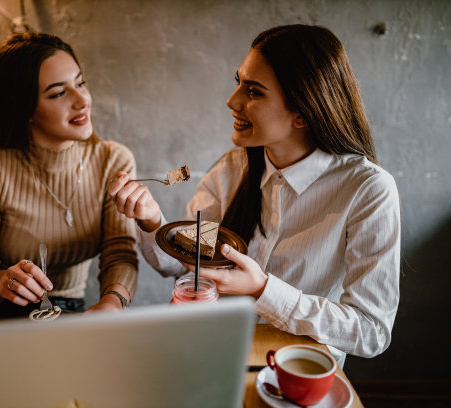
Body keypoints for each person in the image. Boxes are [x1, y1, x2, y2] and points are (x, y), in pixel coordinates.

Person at [108, 24, 400, 365]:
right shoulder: (233, 169)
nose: (232, 101)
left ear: (302, 113)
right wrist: (151, 220)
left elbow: (370, 331)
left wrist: (263, 289)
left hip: (300, 372)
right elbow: (186, 264)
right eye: (239, 83)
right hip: (216, 355)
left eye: (254, 91)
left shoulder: (368, 190)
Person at [0, 32, 138, 320]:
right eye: (58, 93)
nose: (82, 101)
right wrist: (2, 281)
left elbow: (120, 253)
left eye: (80, 83)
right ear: (25, 108)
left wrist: (112, 303)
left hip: (68, 309)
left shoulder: (113, 161)